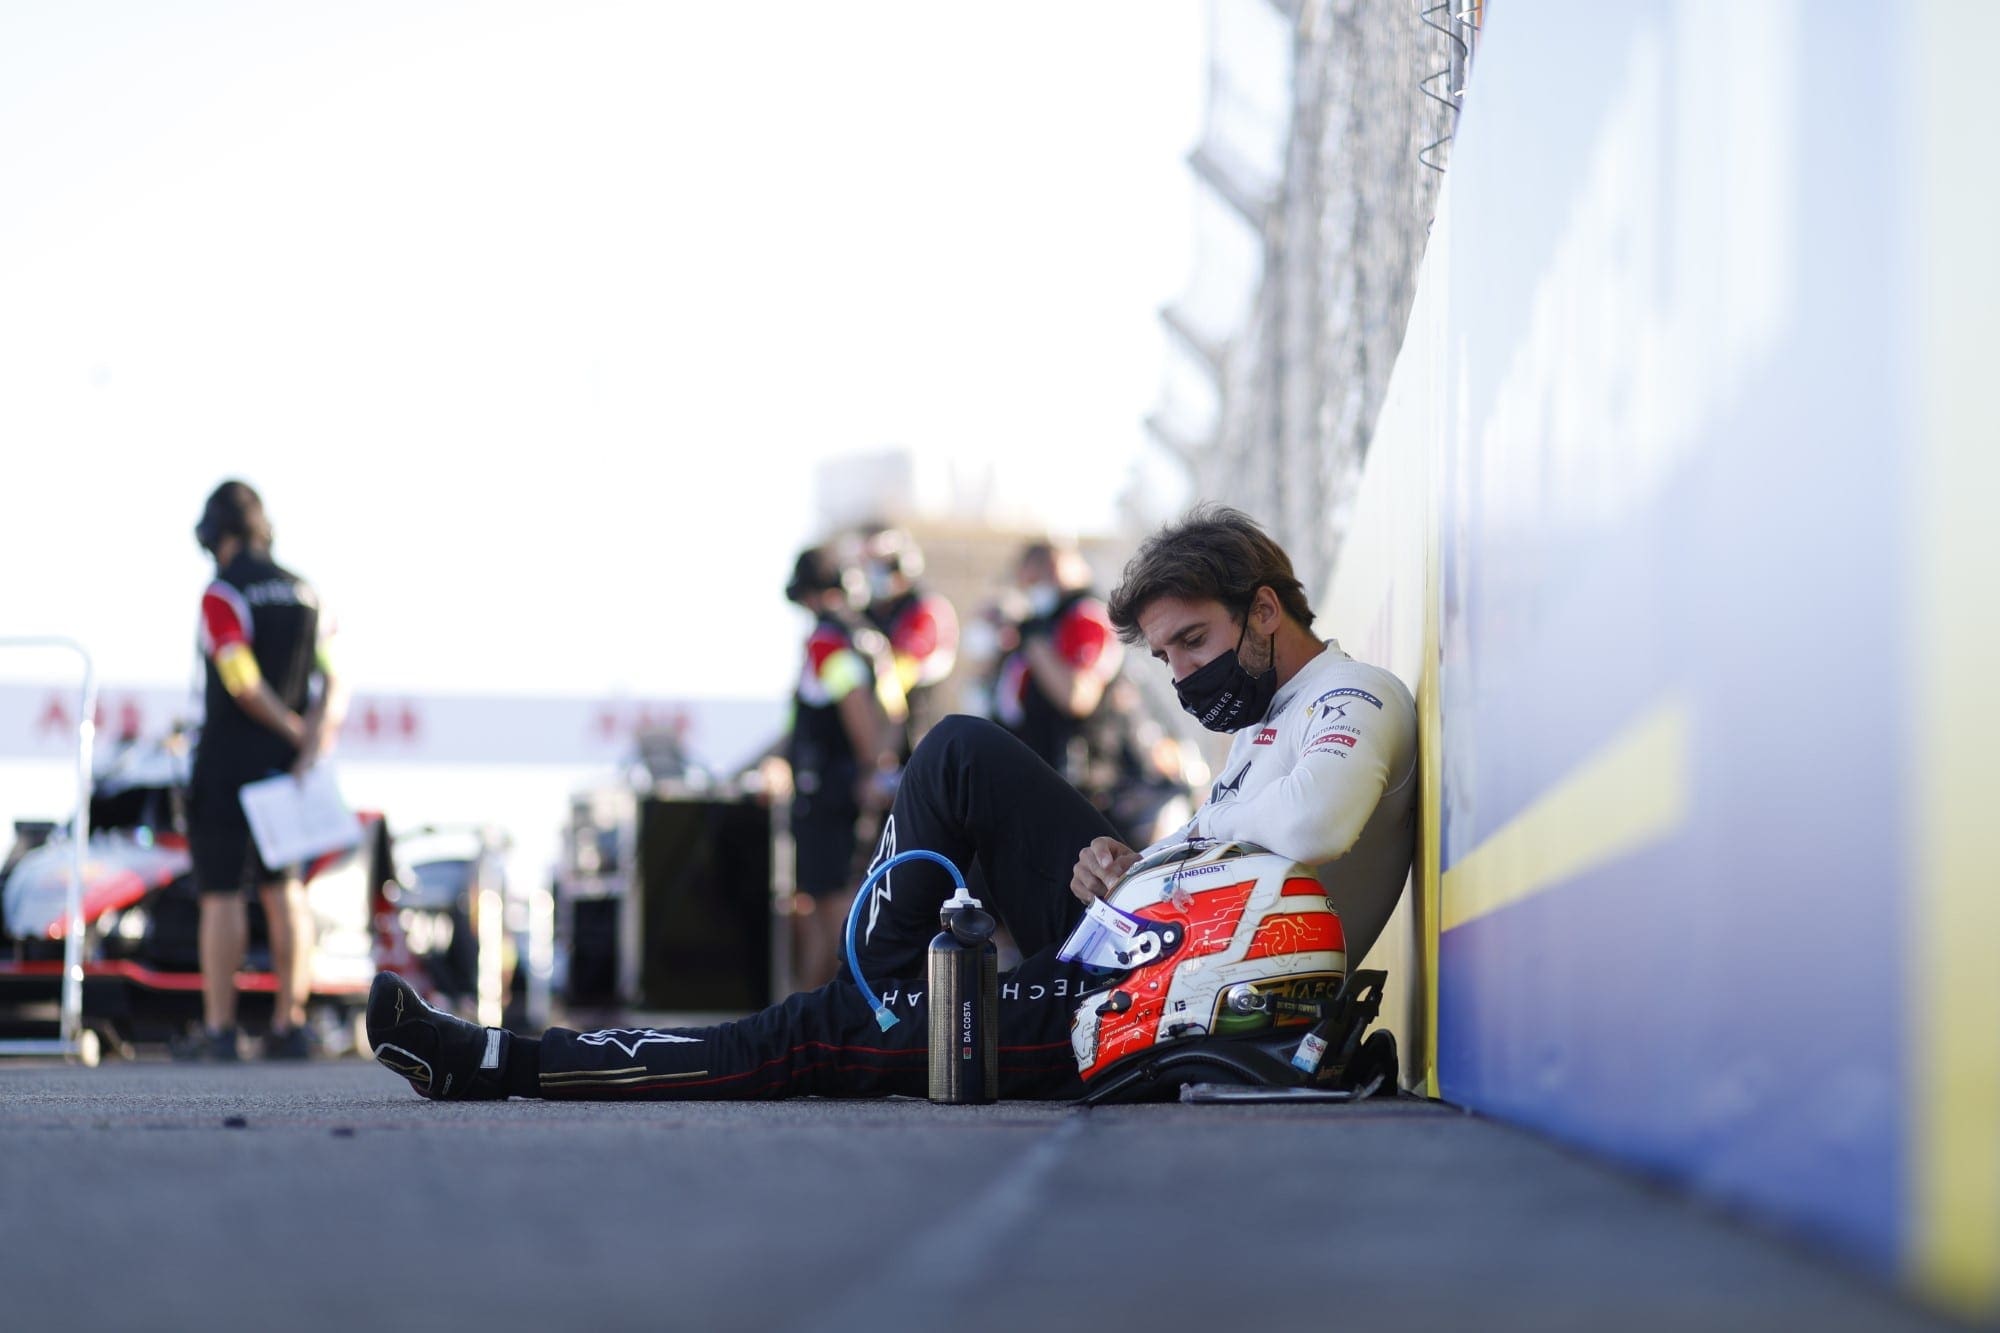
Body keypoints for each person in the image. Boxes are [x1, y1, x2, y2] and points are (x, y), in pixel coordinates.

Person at [367, 506, 1417, 1102]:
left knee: (814, 1036)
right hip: (1146, 949)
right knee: (956, 752)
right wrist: (1136, 871)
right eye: (1167, 651)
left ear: (1265, 608)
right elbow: (1232, 850)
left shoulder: (1356, 695)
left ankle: (500, 1059)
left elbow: (1317, 827)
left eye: (1192, 641)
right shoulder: (1269, 722)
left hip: (1167, 997)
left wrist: (1168, 861)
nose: (1183, 672)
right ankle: (872, 989)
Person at [185, 480, 345, 1060]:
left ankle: (222, 1031)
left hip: (231, 761)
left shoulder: (223, 592)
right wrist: (312, 741)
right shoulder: (308, 593)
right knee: (286, 891)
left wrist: (292, 730)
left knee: (221, 894)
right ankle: (289, 1024)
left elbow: (241, 681)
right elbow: (336, 682)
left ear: (214, 535)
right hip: (288, 767)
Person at [781, 546, 901, 989]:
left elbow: (858, 715)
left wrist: (869, 763)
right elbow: (895, 714)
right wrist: (878, 771)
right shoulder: (873, 638)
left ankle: (810, 1037)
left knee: (830, 924)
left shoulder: (827, 641)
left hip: (828, 800)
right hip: (857, 796)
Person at [992, 540, 1123, 783]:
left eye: (1035, 582)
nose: (1031, 592)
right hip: (1034, 762)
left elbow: (1076, 697)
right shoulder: (1046, 619)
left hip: (1074, 774)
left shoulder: (1084, 615)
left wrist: (1033, 641)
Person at [857, 525, 959, 757]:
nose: (875, 573)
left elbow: (897, 678)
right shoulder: (870, 614)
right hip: (878, 733)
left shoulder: (925, 610)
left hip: (916, 736)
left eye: (884, 566)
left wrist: (882, 754)